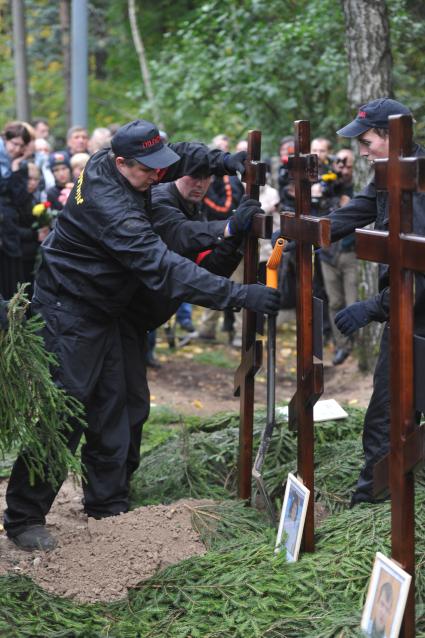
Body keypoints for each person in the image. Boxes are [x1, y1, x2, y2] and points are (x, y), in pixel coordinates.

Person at [3, 118, 280, 551]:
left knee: (118, 405)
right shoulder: (111, 208)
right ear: (121, 163)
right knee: (67, 413)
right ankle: (23, 517)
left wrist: (226, 161)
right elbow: (163, 266)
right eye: (149, 169)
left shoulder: (124, 164)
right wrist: (238, 294)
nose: (159, 175)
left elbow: (181, 156)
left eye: (159, 165)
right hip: (68, 311)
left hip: (107, 312)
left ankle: (106, 506)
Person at [327, 97, 425, 506]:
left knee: (389, 416)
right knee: (389, 415)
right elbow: (357, 213)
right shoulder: (387, 175)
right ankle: (379, 500)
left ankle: (370, 504)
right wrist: (297, 230)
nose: (362, 151)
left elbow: (419, 271)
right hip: (403, 316)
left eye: (367, 141)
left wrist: (371, 307)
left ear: (390, 136)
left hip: (417, 322)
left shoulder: (419, 183)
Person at [320, 148, 358, 365]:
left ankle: (355, 345)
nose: (343, 169)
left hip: (351, 253)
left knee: (352, 301)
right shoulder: (327, 185)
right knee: (335, 302)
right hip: (328, 254)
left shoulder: (359, 188)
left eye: (348, 165)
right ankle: (341, 346)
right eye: (339, 165)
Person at [0, 121, 32, 298]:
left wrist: (15, 168)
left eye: (21, 146)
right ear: (6, 140)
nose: (16, 149)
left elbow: (19, 199)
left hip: (10, 228)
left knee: (12, 282)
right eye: (14, 144)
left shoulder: (20, 166)